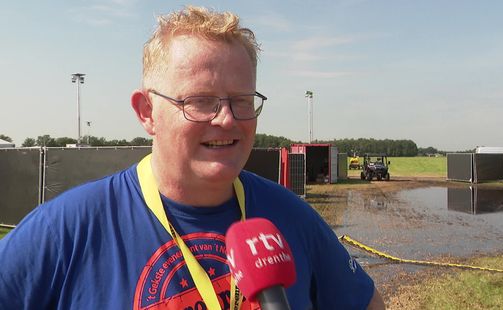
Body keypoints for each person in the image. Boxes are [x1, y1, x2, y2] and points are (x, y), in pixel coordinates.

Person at [0, 6, 384, 309]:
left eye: (242, 101)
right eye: (200, 101)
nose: (227, 119)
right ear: (147, 112)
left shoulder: (291, 217)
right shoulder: (64, 230)